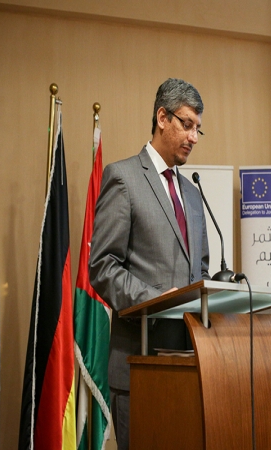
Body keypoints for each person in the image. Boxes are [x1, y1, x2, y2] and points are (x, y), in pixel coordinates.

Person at [89, 78, 210, 450]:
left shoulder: (193, 193)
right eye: (186, 124)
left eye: (197, 128)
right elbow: (102, 266)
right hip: (139, 365)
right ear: (162, 117)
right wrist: (156, 299)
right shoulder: (123, 178)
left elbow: (201, 270)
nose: (193, 137)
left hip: (191, 366)